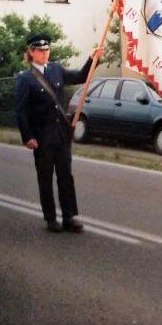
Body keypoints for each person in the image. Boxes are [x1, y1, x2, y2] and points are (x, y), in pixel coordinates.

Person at [15, 33, 101, 233]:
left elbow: (80, 76)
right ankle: (51, 218)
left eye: (46, 50)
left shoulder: (56, 70)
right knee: (45, 177)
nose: (44, 53)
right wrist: (27, 136)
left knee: (65, 175)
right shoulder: (25, 78)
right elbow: (20, 111)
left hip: (61, 135)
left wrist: (92, 60)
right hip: (42, 136)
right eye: (39, 50)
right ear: (31, 53)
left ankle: (69, 216)